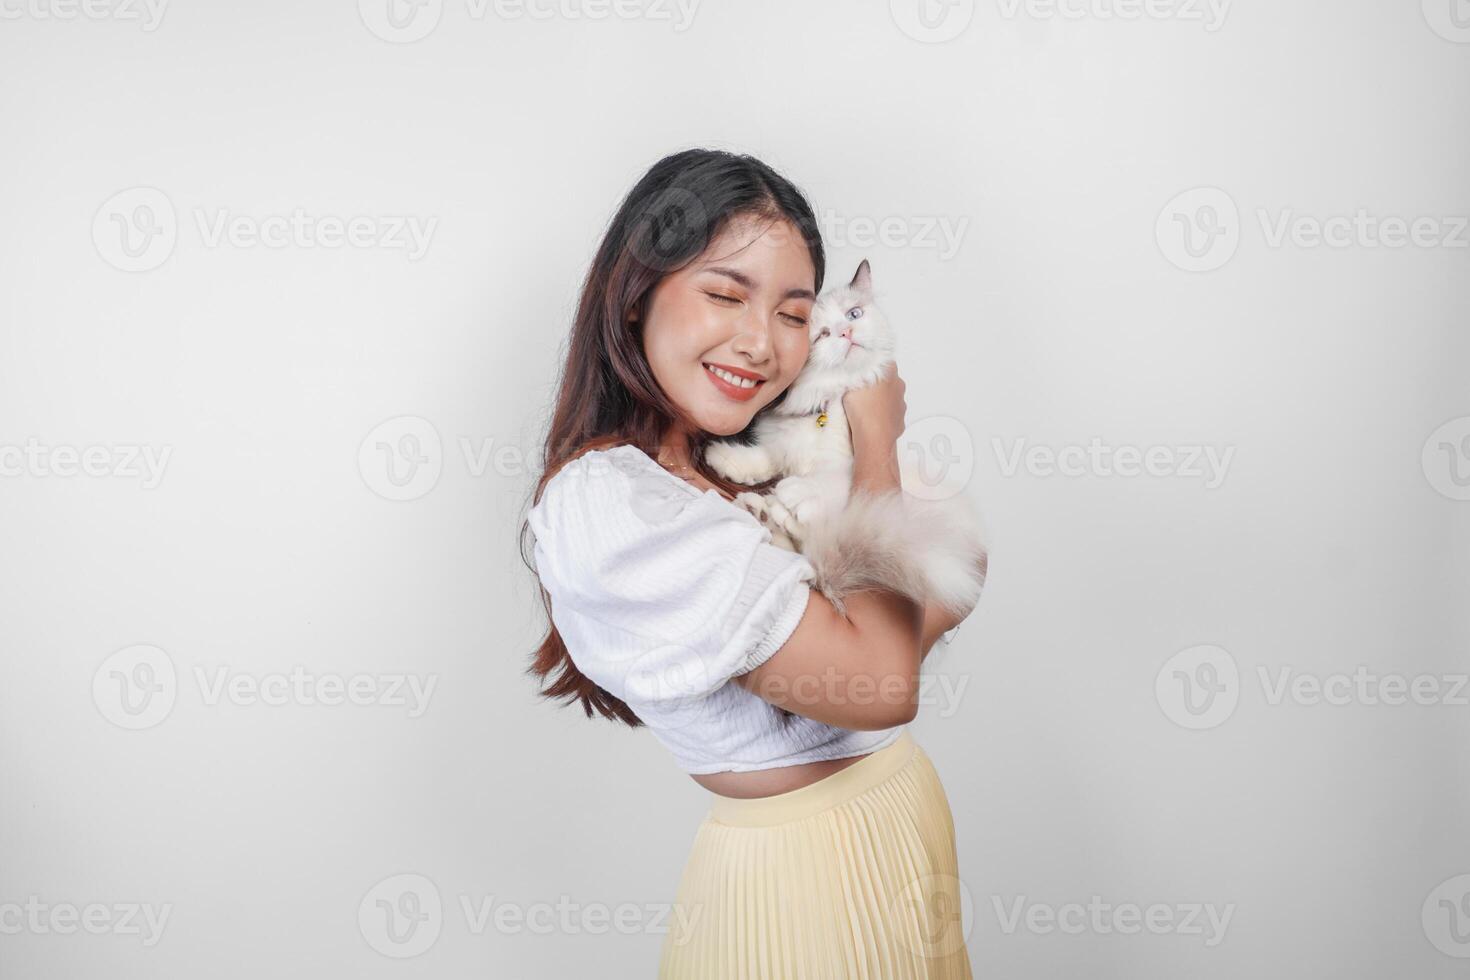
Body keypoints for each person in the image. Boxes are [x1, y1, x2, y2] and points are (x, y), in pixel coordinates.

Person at [522, 148, 980, 978]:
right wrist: (878, 440)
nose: (762, 343)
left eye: (795, 314)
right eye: (726, 295)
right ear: (635, 300)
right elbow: (879, 682)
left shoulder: (741, 463)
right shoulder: (612, 504)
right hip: (803, 883)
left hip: (897, 837)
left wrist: (880, 620)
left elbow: (947, 583)